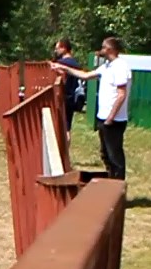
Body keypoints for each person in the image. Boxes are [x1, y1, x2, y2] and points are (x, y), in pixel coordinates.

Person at [50, 36, 132, 179]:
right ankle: (111, 185)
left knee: (115, 156)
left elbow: (121, 95)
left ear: (110, 49)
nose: (101, 50)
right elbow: (85, 75)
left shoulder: (120, 67)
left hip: (114, 120)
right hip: (104, 118)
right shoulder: (107, 66)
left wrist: (110, 118)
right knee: (105, 154)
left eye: (103, 47)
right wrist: (63, 67)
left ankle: (118, 188)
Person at [53, 39, 81, 137]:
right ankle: (66, 151)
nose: (55, 51)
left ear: (64, 48)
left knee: (57, 128)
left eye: (57, 48)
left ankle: (60, 150)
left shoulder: (60, 64)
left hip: (60, 98)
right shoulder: (75, 64)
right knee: (67, 128)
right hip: (71, 98)